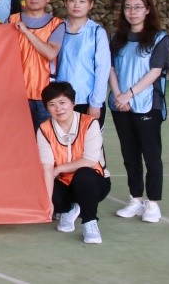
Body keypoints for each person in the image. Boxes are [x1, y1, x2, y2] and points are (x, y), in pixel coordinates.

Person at [108, 0, 169, 223]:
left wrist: (129, 94)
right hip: (121, 106)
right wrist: (118, 96)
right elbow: (111, 68)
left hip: (147, 105)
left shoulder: (159, 38)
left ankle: (152, 203)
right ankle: (135, 199)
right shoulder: (117, 38)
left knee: (151, 156)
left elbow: (155, 71)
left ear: (147, 10)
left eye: (138, 7)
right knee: (130, 155)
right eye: (128, 7)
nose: (132, 12)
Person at [37, 82, 111, 244]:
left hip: (94, 181)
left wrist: (59, 169)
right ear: (47, 108)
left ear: (73, 103)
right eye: (52, 104)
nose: (58, 108)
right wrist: (48, 202)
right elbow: (47, 167)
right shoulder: (44, 129)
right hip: (64, 183)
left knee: (84, 175)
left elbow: (90, 161)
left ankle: (90, 222)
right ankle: (69, 209)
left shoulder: (90, 123)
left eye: (62, 102)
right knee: (42, 185)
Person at [10, 0, 64, 131]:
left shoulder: (56, 24)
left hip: (45, 95)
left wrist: (26, 32)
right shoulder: (11, 21)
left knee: (45, 140)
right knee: (18, 140)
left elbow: (50, 53)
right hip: (16, 95)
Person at [54, 0, 110, 123]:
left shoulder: (97, 32)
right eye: (72, 0)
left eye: (82, 1)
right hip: (60, 100)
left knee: (89, 137)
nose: (76, 5)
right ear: (66, 3)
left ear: (90, 5)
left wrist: (96, 103)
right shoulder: (57, 28)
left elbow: (102, 69)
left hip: (87, 100)